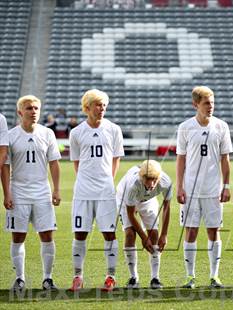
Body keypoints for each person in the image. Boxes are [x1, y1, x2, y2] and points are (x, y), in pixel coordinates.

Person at [1, 95, 61, 291]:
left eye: (36, 108)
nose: (33, 111)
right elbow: (5, 167)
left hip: (42, 191)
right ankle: (20, 278)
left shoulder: (48, 134)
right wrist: (7, 194)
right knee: (18, 237)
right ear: (20, 112)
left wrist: (56, 189)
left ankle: (48, 278)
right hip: (18, 191)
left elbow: (54, 163)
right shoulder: (10, 135)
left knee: (47, 235)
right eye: (29, 108)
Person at [176, 86, 232, 288]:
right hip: (190, 189)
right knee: (190, 232)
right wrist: (179, 187)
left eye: (212, 102)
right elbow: (181, 159)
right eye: (206, 103)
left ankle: (214, 276)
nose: (211, 107)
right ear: (195, 104)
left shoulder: (221, 126)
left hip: (213, 189)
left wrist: (226, 185)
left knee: (213, 231)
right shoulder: (185, 127)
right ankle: (190, 277)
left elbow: (226, 159)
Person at [69, 89, 124, 292]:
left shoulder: (113, 129)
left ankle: (111, 276)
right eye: (98, 105)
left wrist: (107, 180)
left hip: (105, 191)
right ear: (87, 107)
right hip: (83, 191)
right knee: (80, 233)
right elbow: (76, 163)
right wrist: (86, 180)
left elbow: (116, 158)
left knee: (109, 233)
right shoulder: (76, 133)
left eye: (104, 105)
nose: (102, 109)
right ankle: (77, 276)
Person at [117, 160, 171, 289]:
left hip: (148, 200)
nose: (152, 184)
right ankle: (133, 278)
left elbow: (166, 208)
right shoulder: (132, 185)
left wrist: (164, 235)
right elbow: (131, 214)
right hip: (124, 199)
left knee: (154, 235)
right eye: (148, 179)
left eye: (155, 180)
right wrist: (143, 238)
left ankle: (155, 278)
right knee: (130, 234)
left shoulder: (166, 182)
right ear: (142, 177)